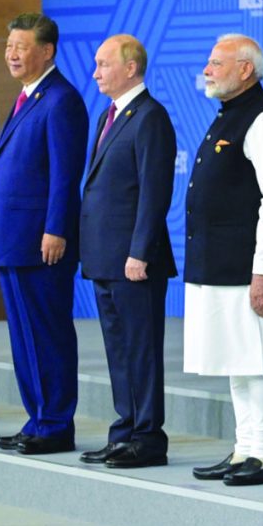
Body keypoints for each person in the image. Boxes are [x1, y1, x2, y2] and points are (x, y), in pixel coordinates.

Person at [185, 34, 263, 486]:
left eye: (217, 63)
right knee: (237, 361)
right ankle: (244, 448)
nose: (207, 70)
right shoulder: (229, 114)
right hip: (220, 266)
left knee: (257, 362)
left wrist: (262, 270)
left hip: (249, 268)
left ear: (245, 69)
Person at [0, 13, 87, 455]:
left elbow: (65, 174)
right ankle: (38, 418)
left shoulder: (61, 99)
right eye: (8, 46)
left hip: (40, 242)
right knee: (24, 337)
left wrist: (55, 228)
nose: (11, 54)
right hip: (13, 238)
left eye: (20, 47)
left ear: (46, 51)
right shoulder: (28, 95)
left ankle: (55, 424)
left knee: (47, 334)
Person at [78, 34, 175, 468]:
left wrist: (140, 252)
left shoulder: (150, 116)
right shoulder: (109, 115)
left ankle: (148, 438)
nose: (95, 73)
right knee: (119, 351)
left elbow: (154, 192)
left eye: (104, 64)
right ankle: (125, 432)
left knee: (141, 350)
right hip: (105, 257)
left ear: (131, 68)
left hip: (135, 261)